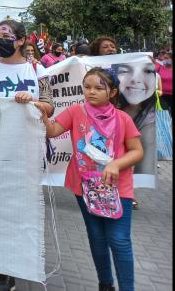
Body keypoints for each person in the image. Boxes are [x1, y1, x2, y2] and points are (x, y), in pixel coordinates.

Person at [36, 68, 143, 291]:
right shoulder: (76, 111)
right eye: (87, 87)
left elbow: (137, 151)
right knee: (96, 237)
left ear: (113, 92)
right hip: (85, 188)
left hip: (117, 189)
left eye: (98, 88)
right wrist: (44, 118)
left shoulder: (123, 119)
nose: (91, 92)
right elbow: (54, 131)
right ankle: (105, 283)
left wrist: (116, 164)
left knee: (119, 240)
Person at [0, 19, 53, 291]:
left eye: (6, 34)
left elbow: (49, 107)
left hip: (25, 152)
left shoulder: (37, 69)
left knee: (17, 211)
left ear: (19, 41)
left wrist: (33, 101)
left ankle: (11, 268)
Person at [113, 57, 158, 210]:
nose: (136, 80)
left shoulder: (148, 119)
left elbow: (140, 158)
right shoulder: (110, 111)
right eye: (124, 71)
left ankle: (128, 194)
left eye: (147, 71)